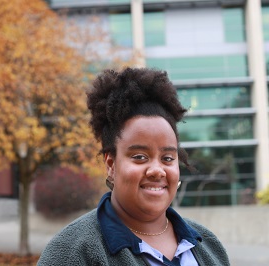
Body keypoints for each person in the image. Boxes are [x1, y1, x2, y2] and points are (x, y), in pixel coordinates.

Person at [37, 67, 230, 265]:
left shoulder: (208, 244)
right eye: (139, 156)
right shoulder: (71, 252)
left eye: (168, 158)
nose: (157, 170)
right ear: (111, 164)